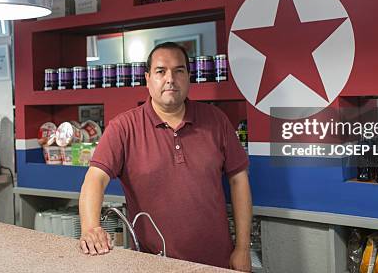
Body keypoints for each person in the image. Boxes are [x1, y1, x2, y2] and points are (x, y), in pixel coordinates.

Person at [79, 42, 253, 271]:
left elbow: (239, 181)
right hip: (152, 263)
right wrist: (90, 227)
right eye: (161, 71)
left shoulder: (216, 120)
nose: (170, 78)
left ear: (189, 77)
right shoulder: (123, 127)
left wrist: (242, 248)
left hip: (216, 262)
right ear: (148, 78)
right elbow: (95, 179)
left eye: (179, 71)